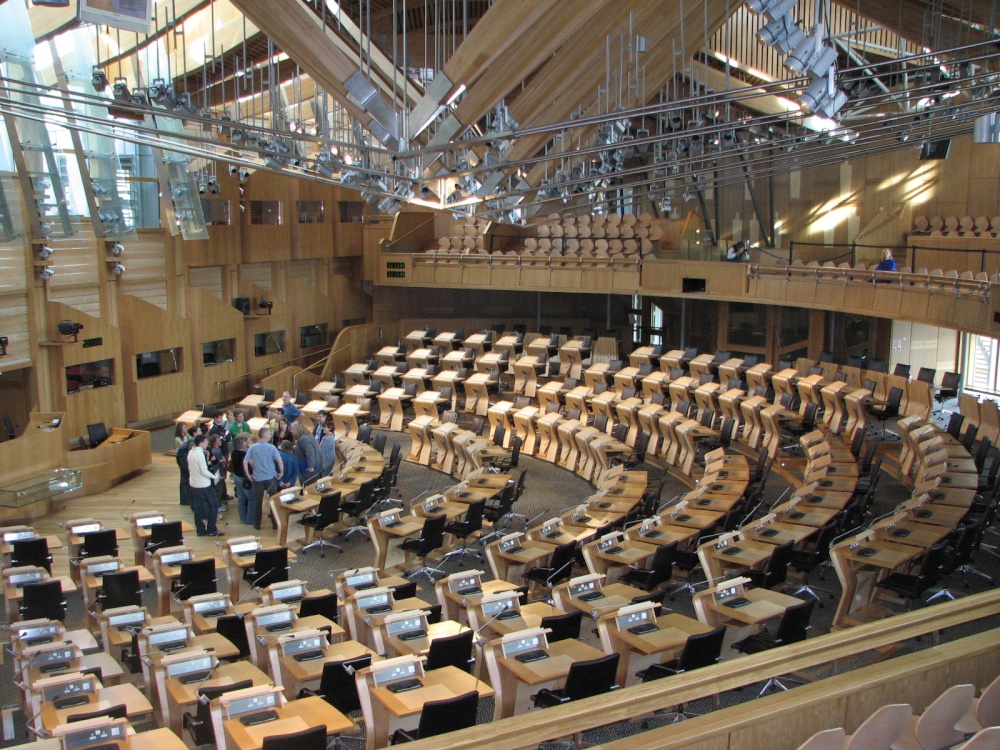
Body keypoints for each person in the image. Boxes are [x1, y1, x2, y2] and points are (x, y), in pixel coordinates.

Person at [243, 427, 283, 530]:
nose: (270, 436)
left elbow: (245, 461)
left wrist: (248, 474)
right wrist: (281, 472)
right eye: (269, 434)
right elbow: (279, 461)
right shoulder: (272, 447)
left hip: (258, 478)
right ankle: (275, 524)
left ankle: (257, 524)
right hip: (270, 478)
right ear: (265, 435)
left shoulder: (252, 447)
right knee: (273, 501)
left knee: (258, 502)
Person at [187, 434, 223, 536]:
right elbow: (204, 470)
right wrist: (215, 476)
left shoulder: (191, 452)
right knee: (214, 506)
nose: (207, 444)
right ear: (202, 443)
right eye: (206, 442)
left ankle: (200, 530)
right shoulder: (200, 454)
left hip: (194, 484)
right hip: (204, 485)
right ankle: (212, 529)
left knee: (197, 508)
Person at [229, 433, 253, 524]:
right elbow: (252, 465)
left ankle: (242, 518)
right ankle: (250, 520)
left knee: (241, 498)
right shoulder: (245, 454)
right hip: (244, 478)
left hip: (237, 476)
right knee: (251, 498)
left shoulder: (233, 453)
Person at [292, 421, 323, 485]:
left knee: (308, 485)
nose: (290, 431)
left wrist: (310, 466)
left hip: (308, 468)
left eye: (292, 429)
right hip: (314, 465)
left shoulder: (303, 439)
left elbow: (310, 452)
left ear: (297, 429)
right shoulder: (308, 435)